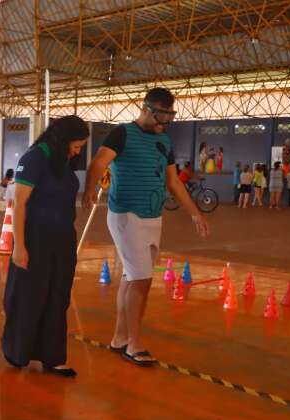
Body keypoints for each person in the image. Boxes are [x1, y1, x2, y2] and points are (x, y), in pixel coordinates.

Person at [82, 87, 209, 367]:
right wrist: (89, 190)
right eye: (161, 116)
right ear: (147, 109)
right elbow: (99, 162)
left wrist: (195, 214)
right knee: (142, 281)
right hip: (126, 216)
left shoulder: (164, 141)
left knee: (132, 277)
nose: (165, 123)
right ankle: (134, 344)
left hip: (153, 218)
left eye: (169, 117)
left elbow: (173, 182)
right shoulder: (122, 133)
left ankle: (119, 338)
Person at [1, 115, 89, 377]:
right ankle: (18, 352)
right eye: (77, 145)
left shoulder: (63, 161)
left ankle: (53, 357)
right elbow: (19, 205)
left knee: (58, 297)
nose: (78, 151)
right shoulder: (34, 158)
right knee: (30, 296)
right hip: (35, 239)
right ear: (63, 139)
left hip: (62, 239)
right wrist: (19, 246)